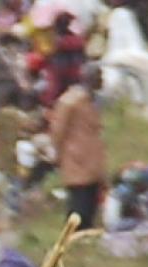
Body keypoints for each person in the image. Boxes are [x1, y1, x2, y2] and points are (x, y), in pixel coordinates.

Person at [51, 66, 107, 227]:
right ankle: (73, 237)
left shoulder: (92, 100)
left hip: (92, 157)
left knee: (92, 202)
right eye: (99, 77)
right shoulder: (70, 102)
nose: (102, 81)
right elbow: (58, 131)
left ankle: (86, 235)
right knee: (79, 203)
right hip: (77, 159)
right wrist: (59, 154)